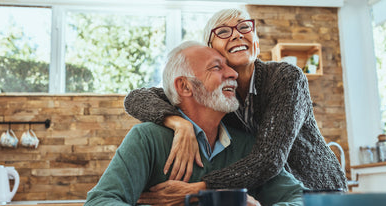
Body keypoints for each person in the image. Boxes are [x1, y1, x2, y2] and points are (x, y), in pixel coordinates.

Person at [124, 8, 347, 192]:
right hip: (270, 193)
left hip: (317, 190)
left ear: (256, 44)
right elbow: (136, 98)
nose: (237, 34)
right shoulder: (214, 95)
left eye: (243, 27)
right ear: (212, 52)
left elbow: (269, 159)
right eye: (223, 31)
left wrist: (199, 188)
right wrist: (178, 122)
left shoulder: (286, 77)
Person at [85, 41, 306, 206]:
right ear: (185, 87)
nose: (232, 73)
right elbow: (101, 201)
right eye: (217, 67)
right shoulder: (147, 139)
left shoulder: (247, 146)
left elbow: (300, 200)